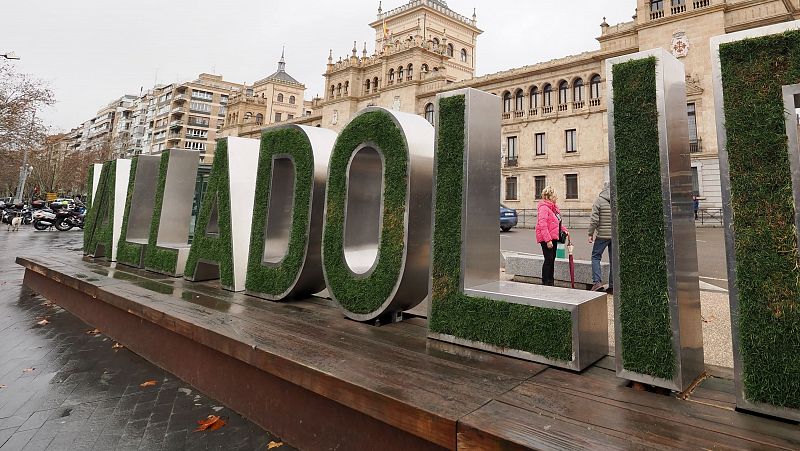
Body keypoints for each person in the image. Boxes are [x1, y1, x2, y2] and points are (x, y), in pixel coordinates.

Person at [536, 186, 568, 286]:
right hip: (546, 238)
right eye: (555, 196)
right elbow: (542, 224)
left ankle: (551, 281)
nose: (556, 198)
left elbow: (557, 222)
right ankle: (545, 282)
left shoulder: (553, 208)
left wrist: (564, 230)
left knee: (552, 259)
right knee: (548, 259)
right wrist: (548, 240)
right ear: (549, 197)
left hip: (553, 237)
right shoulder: (544, 208)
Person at [588, 182, 613, 293]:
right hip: (614, 236)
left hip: (602, 235)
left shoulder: (599, 200)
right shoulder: (616, 200)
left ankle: (597, 282)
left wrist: (590, 233)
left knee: (596, 257)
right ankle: (612, 285)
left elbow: (594, 220)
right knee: (614, 260)